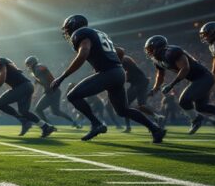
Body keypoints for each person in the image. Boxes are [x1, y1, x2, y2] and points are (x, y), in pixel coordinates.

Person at [51, 15, 165, 143]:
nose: (67, 31)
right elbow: (120, 51)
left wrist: (62, 77)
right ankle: (155, 129)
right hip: (118, 73)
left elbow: (83, 53)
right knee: (123, 110)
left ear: (73, 25)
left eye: (67, 28)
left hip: (108, 72)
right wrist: (115, 65)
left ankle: (96, 124)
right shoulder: (99, 33)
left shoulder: (81, 33)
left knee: (72, 96)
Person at [145, 35, 215, 135]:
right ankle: (197, 118)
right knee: (201, 107)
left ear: (158, 46)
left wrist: (171, 85)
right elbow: (160, 75)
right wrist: (155, 89)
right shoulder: (157, 60)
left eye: (150, 49)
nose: (149, 52)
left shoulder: (171, 52)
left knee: (184, 101)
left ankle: (197, 119)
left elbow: (185, 68)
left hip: (204, 77)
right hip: (196, 79)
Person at [0, 48, 55, 138]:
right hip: (27, 86)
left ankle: (24, 121)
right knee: (23, 111)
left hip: (22, 87)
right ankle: (46, 127)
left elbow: (1, 80)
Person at [115, 47, 163, 132]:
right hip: (137, 83)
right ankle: (156, 117)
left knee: (137, 105)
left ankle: (156, 117)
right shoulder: (125, 60)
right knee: (128, 105)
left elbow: (124, 74)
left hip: (140, 82)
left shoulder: (124, 60)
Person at [24, 56, 78, 127]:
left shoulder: (38, 68)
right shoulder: (37, 69)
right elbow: (37, 82)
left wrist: (37, 92)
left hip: (51, 92)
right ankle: (74, 122)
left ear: (32, 63)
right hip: (54, 91)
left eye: (28, 64)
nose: (28, 66)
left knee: (38, 109)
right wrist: (35, 93)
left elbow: (43, 80)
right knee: (56, 112)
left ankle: (48, 126)